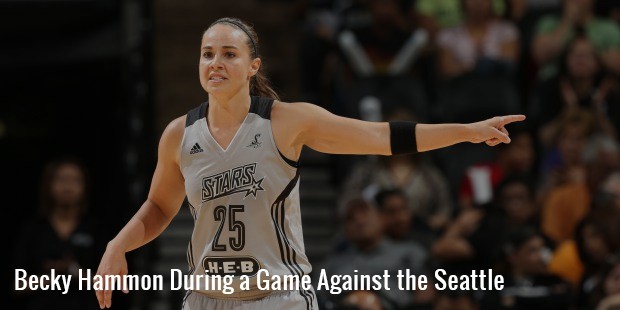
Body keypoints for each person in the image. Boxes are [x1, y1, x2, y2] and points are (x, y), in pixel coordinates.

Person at [95, 17, 525, 310]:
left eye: (229, 54)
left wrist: (466, 130)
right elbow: (157, 210)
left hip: (278, 298)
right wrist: (117, 245)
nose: (216, 63)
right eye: (208, 54)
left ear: (252, 66)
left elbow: (380, 137)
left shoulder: (287, 121)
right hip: (206, 299)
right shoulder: (179, 134)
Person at [13, 157, 99, 310]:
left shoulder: (95, 228)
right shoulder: (34, 229)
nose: (68, 186)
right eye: (61, 179)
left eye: (75, 180)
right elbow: (17, 285)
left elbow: (111, 282)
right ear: (48, 185)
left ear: (85, 186)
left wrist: (74, 271)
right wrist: (52, 275)